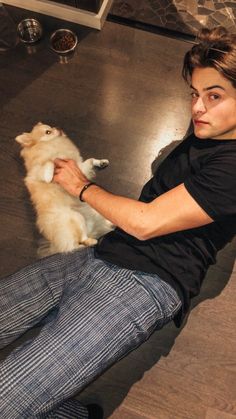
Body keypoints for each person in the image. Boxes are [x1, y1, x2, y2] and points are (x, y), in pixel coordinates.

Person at [0, 25, 236, 418]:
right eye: (194, 94)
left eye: (214, 96)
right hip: (105, 252)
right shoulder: (213, 128)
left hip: (147, 282)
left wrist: (82, 188)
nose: (197, 108)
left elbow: (147, 222)